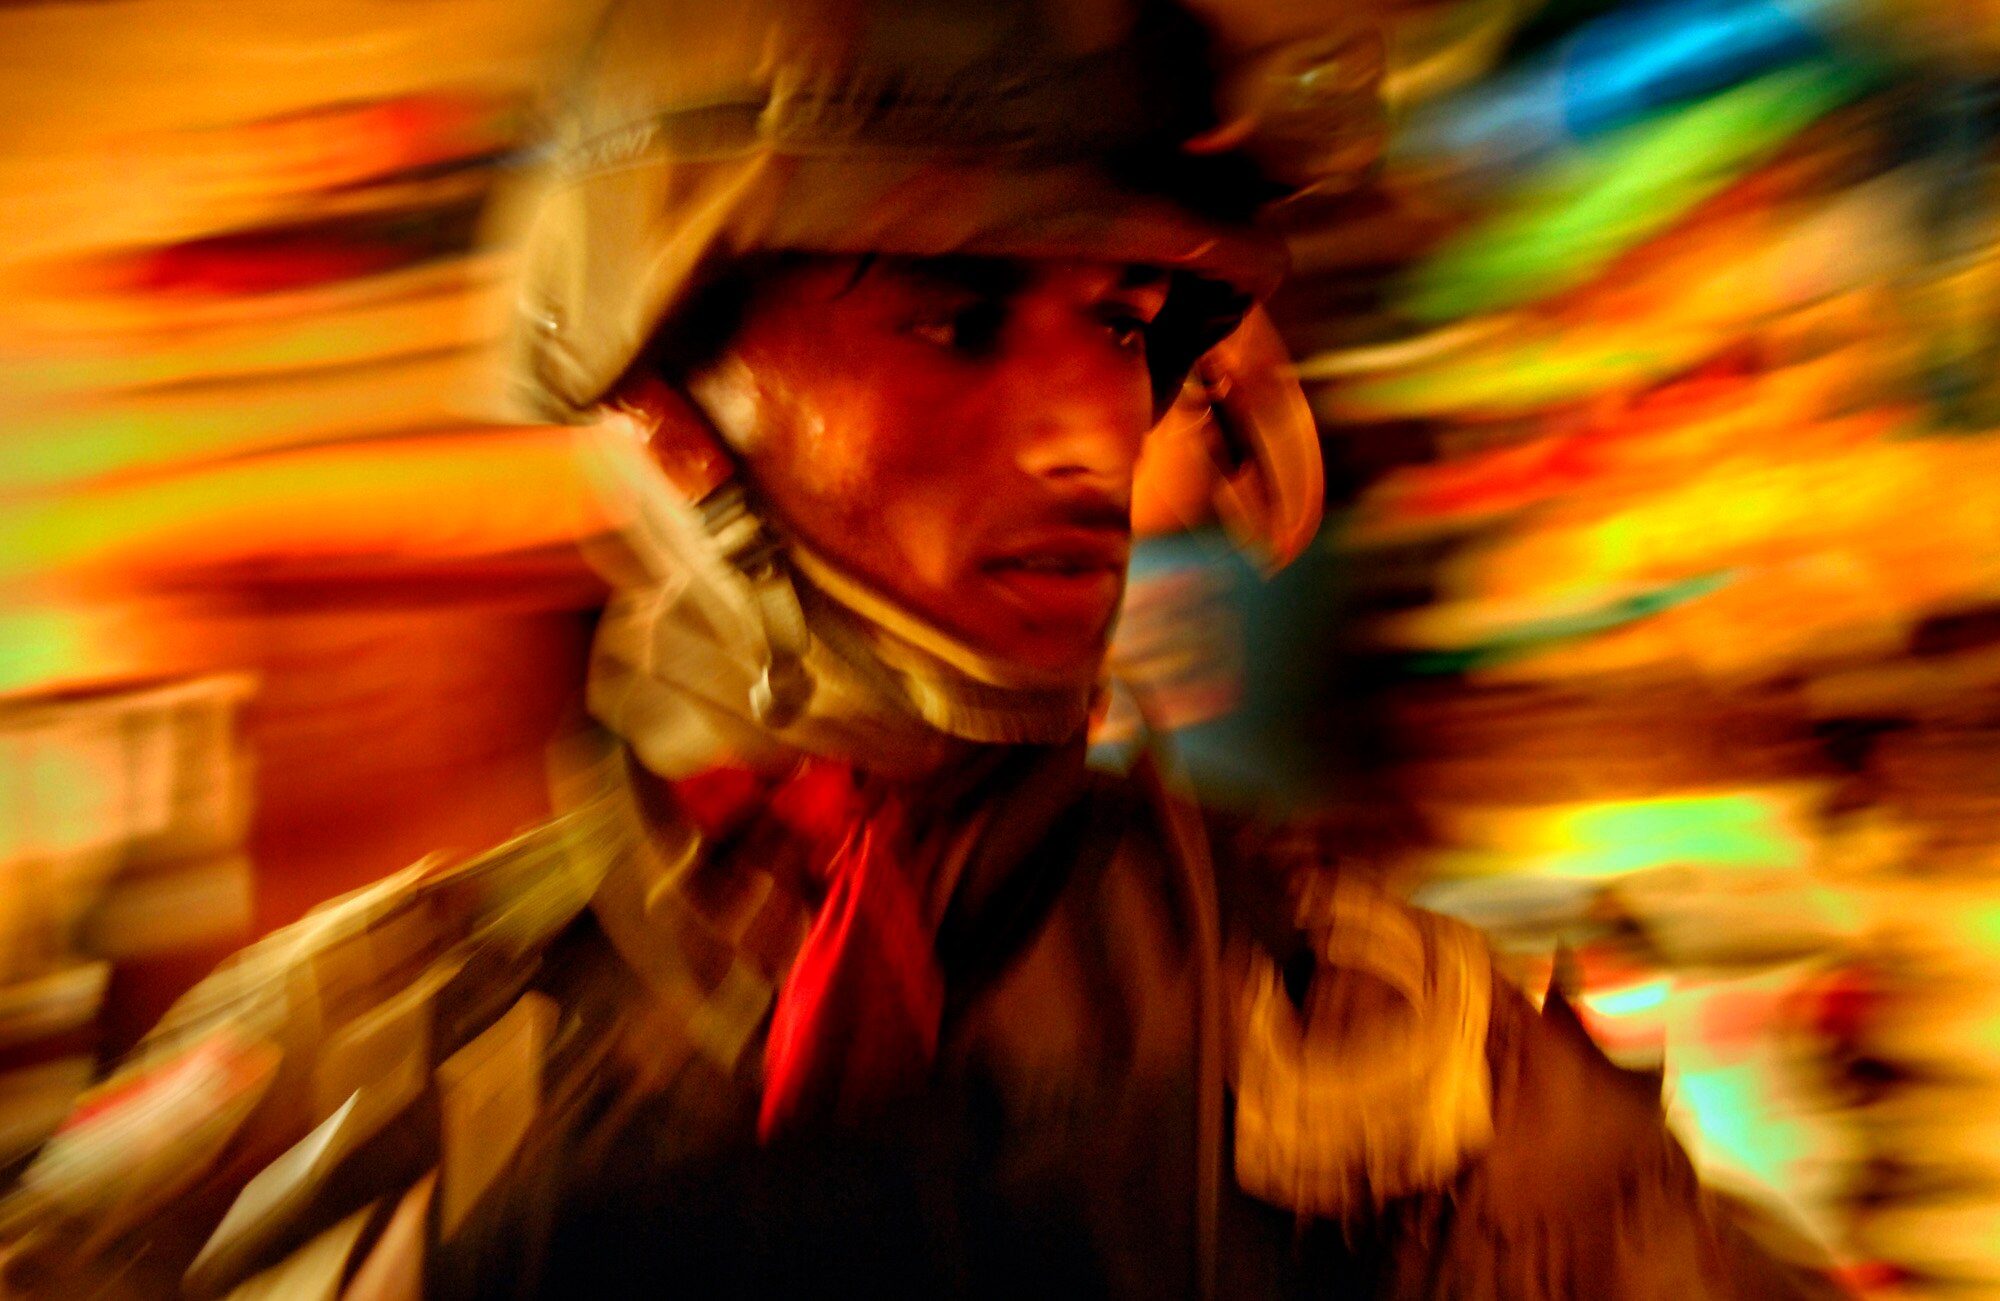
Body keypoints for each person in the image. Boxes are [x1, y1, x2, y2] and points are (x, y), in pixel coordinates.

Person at [0, 1, 1845, 1297]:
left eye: (1122, 325)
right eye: (958, 322)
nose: (1086, 435)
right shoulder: (350, 1053)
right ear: (667, 401)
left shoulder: (1391, 1064)